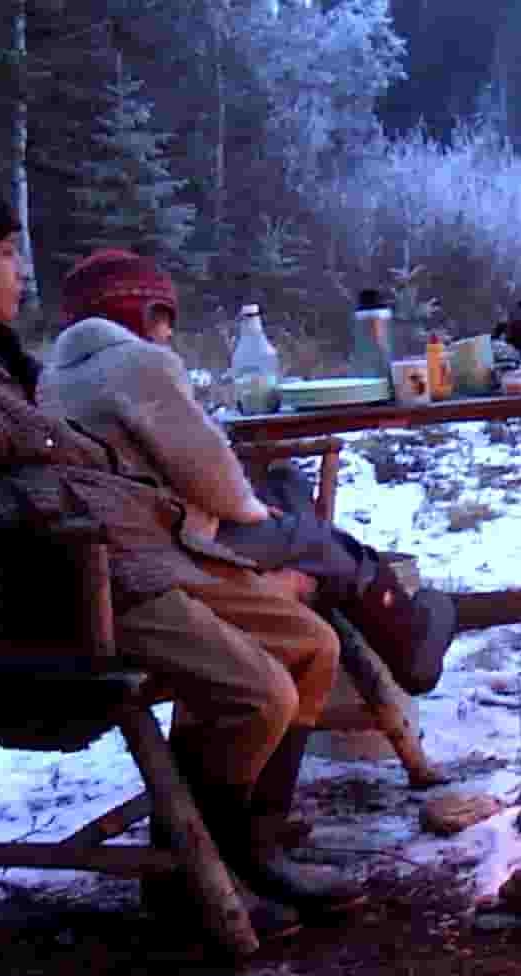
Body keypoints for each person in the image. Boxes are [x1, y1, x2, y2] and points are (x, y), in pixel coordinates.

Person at [0, 164, 361, 935]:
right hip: (70, 594)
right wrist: (53, 492)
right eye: (3, 252)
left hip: (133, 560)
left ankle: (235, 847)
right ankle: (200, 879)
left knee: (312, 646)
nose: (21, 268)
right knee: (259, 691)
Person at [37, 248, 455, 787]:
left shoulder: (55, 378)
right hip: (171, 545)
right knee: (308, 537)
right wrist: (253, 509)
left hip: (121, 541)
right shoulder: (138, 364)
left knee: (287, 490)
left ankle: (394, 622)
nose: (167, 332)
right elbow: (204, 468)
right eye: (161, 317)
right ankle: (409, 637)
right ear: (136, 313)